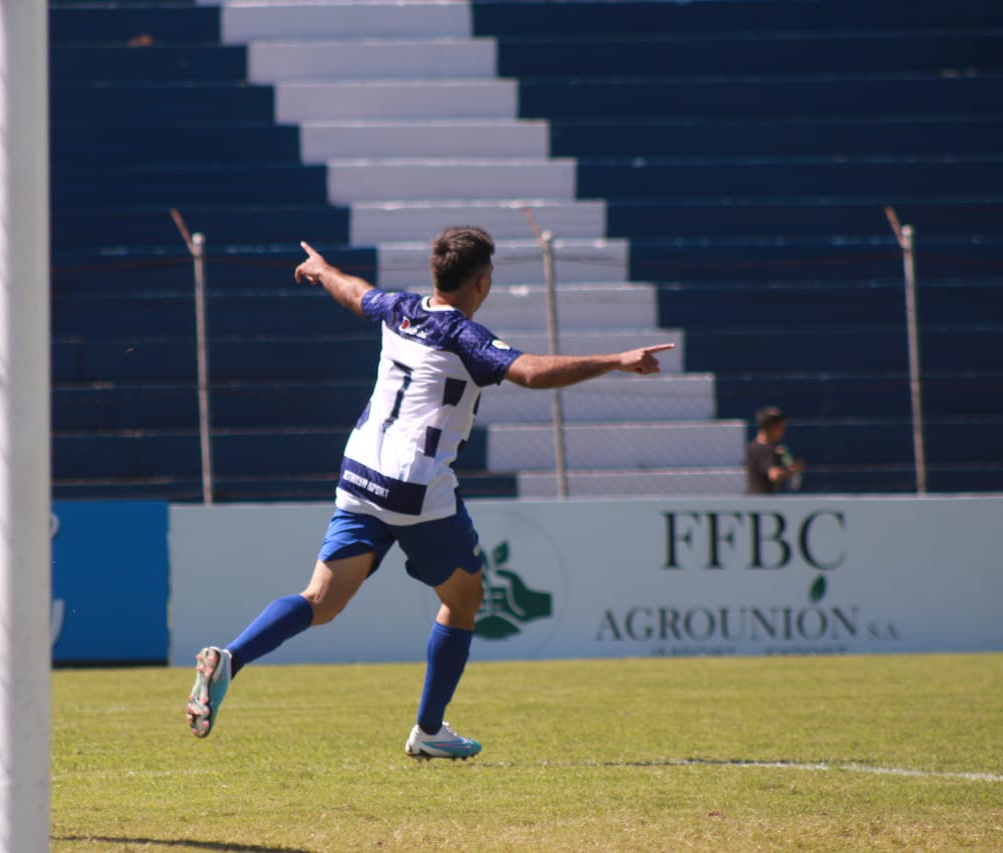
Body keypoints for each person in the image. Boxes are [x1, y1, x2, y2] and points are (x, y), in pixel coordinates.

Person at [187, 226, 674, 759]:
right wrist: (616, 359)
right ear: (482, 282)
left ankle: (230, 657)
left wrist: (322, 270)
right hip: (415, 486)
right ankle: (429, 730)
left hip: (360, 472)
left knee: (320, 600)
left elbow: (356, 293)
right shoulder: (465, 336)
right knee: (465, 599)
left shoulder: (399, 308)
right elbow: (531, 373)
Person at [745, 406, 806, 494]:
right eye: (781, 427)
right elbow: (774, 475)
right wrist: (792, 470)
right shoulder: (765, 449)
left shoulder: (753, 446)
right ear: (771, 428)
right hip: (761, 502)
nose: (783, 431)